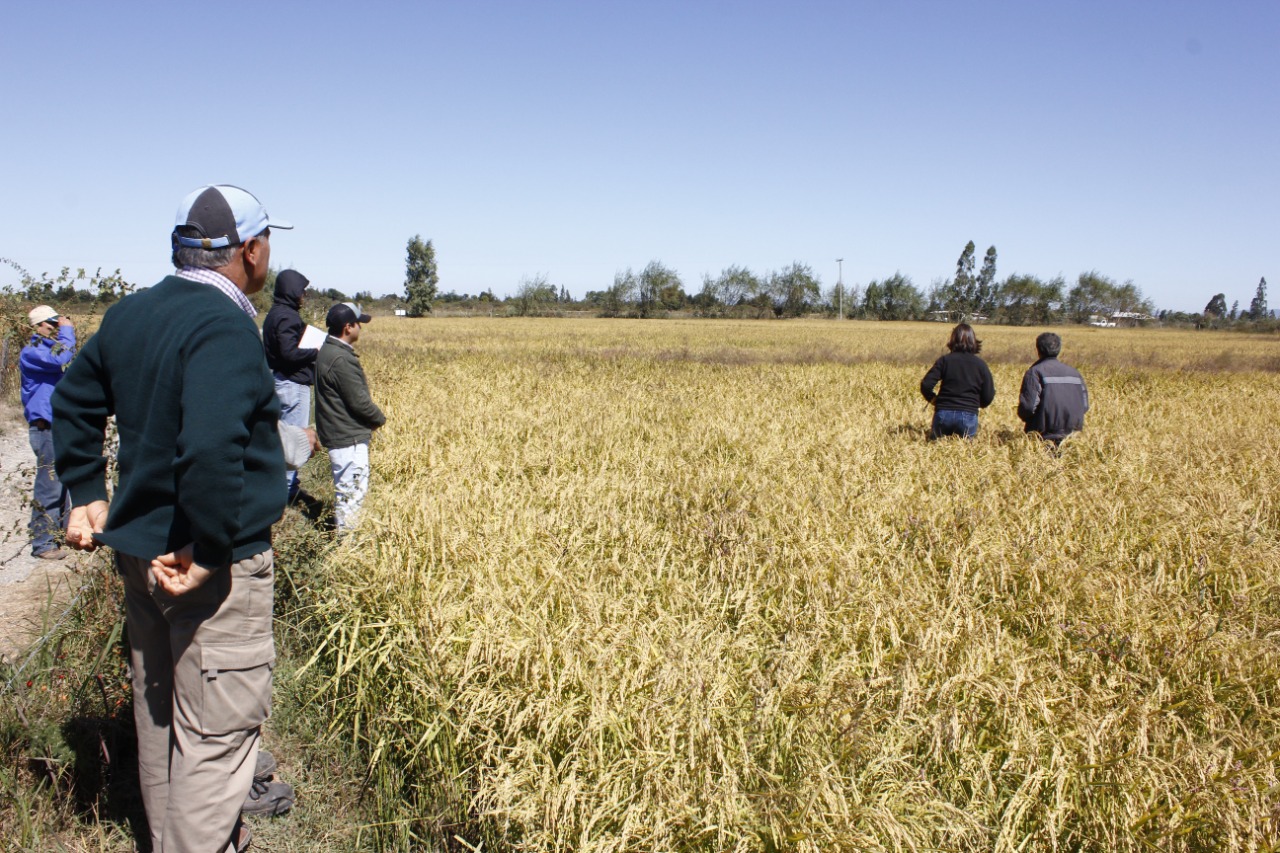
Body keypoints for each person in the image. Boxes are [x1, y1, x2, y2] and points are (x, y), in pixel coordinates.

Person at [52, 185, 297, 853]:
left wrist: (85, 490)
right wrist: (213, 548)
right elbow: (212, 445)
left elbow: (73, 399)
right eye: (269, 240)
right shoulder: (223, 327)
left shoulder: (132, 313)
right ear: (249, 250)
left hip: (140, 556)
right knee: (214, 735)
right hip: (203, 567)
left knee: (160, 716)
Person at [315, 302, 385, 532]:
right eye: (358, 324)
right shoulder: (341, 359)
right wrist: (379, 419)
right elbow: (359, 402)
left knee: (346, 491)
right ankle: (348, 545)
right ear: (348, 327)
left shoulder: (328, 351)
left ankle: (345, 535)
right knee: (352, 493)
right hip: (348, 438)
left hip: (339, 433)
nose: (360, 329)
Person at [19, 305, 75, 559]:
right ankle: (42, 544)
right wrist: (68, 332)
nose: (54, 326)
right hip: (45, 429)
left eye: (56, 323)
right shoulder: (32, 353)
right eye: (50, 323)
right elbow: (60, 358)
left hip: (58, 427)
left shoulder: (47, 350)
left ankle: (60, 537)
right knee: (49, 486)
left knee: (63, 484)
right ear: (37, 326)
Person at [263, 269, 318, 501]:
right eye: (302, 291)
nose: (304, 296)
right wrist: (316, 350)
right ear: (292, 291)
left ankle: (288, 488)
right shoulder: (287, 316)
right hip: (293, 384)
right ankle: (283, 495)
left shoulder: (275, 313)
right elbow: (289, 353)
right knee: (294, 441)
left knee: (284, 438)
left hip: (281, 381)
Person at [920, 322, 996, 439]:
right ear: (973, 341)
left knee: (938, 452)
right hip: (968, 415)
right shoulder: (980, 365)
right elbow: (988, 395)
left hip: (943, 413)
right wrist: (974, 404)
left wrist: (933, 399)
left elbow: (926, 385)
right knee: (964, 454)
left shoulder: (944, 361)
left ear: (953, 340)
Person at [1017, 331, 1089, 445]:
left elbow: (1028, 407)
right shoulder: (1075, 373)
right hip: (1073, 436)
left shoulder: (1035, 372)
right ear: (1059, 349)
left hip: (1044, 434)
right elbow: (1084, 406)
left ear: (1038, 349)